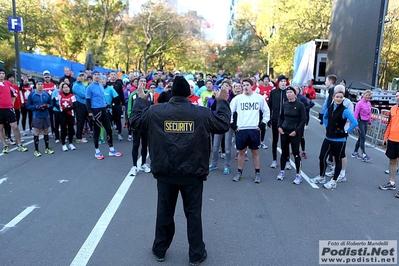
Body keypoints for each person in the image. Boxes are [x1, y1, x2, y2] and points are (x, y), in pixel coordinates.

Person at [129, 75, 230, 265]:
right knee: (193, 214)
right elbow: (223, 124)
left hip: (166, 172)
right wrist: (223, 102)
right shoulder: (201, 113)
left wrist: (140, 100)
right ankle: (196, 253)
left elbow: (135, 122)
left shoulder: (155, 111)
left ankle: (160, 249)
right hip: (192, 173)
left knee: (164, 212)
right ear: (189, 93)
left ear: (172, 93)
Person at [310, 90, 358, 189]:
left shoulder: (344, 110)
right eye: (337, 97)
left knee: (338, 159)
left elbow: (355, 122)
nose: (339, 99)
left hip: (339, 140)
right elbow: (325, 118)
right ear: (333, 98)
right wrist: (327, 126)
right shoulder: (330, 108)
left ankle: (334, 181)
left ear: (343, 99)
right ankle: (321, 176)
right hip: (328, 138)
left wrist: (346, 131)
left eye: (341, 97)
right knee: (322, 157)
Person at [229, 78, 270, 183]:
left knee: (255, 152)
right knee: (241, 152)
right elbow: (229, 112)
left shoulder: (258, 98)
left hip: (254, 129)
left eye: (247, 85)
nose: (245, 87)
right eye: (243, 85)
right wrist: (233, 125)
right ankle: (239, 172)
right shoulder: (238, 99)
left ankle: (257, 173)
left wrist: (263, 123)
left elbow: (266, 111)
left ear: (252, 86)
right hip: (241, 129)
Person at [86, 70, 122, 159]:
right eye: (95, 75)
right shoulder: (89, 87)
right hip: (95, 110)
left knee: (109, 130)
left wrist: (107, 106)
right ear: (92, 76)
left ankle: (111, 149)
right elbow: (87, 100)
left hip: (104, 110)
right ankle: (97, 151)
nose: (97, 76)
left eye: (98, 75)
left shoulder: (101, 86)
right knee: (97, 131)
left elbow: (103, 98)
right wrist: (90, 112)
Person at [276, 86, 306, 184]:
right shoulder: (284, 104)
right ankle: (282, 171)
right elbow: (280, 117)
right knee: (284, 152)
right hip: (284, 131)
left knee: (296, 153)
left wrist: (296, 131)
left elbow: (303, 120)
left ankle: (298, 174)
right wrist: (279, 127)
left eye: (290, 92)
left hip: (294, 133)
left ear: (295, 94)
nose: (289, 94)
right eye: (287, 92)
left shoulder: (300, 105)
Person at [127, 76, 153, 175]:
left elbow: (151, 107)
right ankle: (134, 166)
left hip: (146, 124)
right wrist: (130, 120)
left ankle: (143, 164)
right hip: (136, 124)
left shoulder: (150, 94)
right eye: (140, 81)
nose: (142, 82)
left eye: (144, 81)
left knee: (145, 145)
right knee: (135, 144)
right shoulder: (133, 94)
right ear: (137, 83)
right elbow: (129, 109)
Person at [0, 69, 28, 154]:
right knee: (0, 128)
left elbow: (15, 94)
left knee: (15, 127)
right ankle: (5, 145)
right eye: (0, 73)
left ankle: (19, 144)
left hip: (8, 109)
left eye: (3, 73)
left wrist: (11, 104)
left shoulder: (8, 84)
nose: (1, 75)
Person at [209, 80, 234, 174]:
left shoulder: (233, 98)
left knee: (227, 147)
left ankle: (227, 166)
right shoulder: (219, 97)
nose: (224, 87)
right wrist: (217, 98)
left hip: (228, 124)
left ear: (230, 88)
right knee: (215, 146)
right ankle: (214, 163)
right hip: (218, 122)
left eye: (227, 86)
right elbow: (213, 108)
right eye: (223, 86)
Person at [26, 79, 54, 156]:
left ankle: (47, 148)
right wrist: (37, 107)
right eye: (38, 84)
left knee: (46, 132)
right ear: (36, 85)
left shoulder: (47, 94)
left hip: (46, 115)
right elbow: (28, 106)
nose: (40, 86)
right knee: (37, 133)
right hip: (37, 116)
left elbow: (51, 104)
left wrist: (47, 106)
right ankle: (36, 150)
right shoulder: (32, 95)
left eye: (41, 84)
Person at [379, 91, 399, 198]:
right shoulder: (393, 109)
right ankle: (391, 183)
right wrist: (385, 137)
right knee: (392, 161)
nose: (398, 98)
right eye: (396, 96)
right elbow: (390, 124)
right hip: (392, 139)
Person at [268, 75, 289, 169]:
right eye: (282, 81)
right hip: (275, 119)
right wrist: (269, 118)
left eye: (285, 81)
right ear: (278, 82)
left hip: (286, 121)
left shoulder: (288, 93)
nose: (283, 83)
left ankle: (287, 160)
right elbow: (269, 106)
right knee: (275, 140)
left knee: (285, 141)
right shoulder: (273, 92)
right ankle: (274, 160)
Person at [54, 82, 77, 151]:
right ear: (62, 89)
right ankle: (63, 144)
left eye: (67, 87)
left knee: (70, 128)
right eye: (64, 88)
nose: (66, 89)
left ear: (69, 88)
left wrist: (69, 108)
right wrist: (59, 108)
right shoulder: (59, 95)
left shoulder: (72, 96)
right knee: (63, 129)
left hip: (70, 114)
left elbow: (75, 105)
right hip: (62, 114)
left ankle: (70, 143)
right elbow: (53, 101)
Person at [294, 85, 315, 159]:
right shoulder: (291, 98)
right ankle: (295, 150)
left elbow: (312, 103)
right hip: (294, 119)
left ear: (299, 90)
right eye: (294, 89)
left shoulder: (302, 98)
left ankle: (303, 151)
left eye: (297, 89)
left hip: (301, 119)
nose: (295, 90)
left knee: (301, 136)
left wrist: (305, 109)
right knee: (294, 135)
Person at [351, 90, 372, 162]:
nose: (367, 96)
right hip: (360, 122)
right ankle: (364, 154)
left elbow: (369, 114)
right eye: (366, 95)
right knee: (363, 138)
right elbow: (356, 114)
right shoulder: (359, 103)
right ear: (363, 95)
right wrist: (355, 124)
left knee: (361, 138)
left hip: (365, 122)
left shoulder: (369, 104)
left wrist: (369, 123)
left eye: (369, 95)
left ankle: (355, 152)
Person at [72, 72, 89, 144]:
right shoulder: (75, 85)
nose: (81, 77)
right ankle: (78, 136)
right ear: (77, 77)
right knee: (80, 121)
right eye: (80, 76)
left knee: (84, 120)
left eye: (82, 76)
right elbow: (83, 95)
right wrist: (87, 95)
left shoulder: (82, 85)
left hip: (84, 104)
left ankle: (80, 135)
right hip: (79, 104)